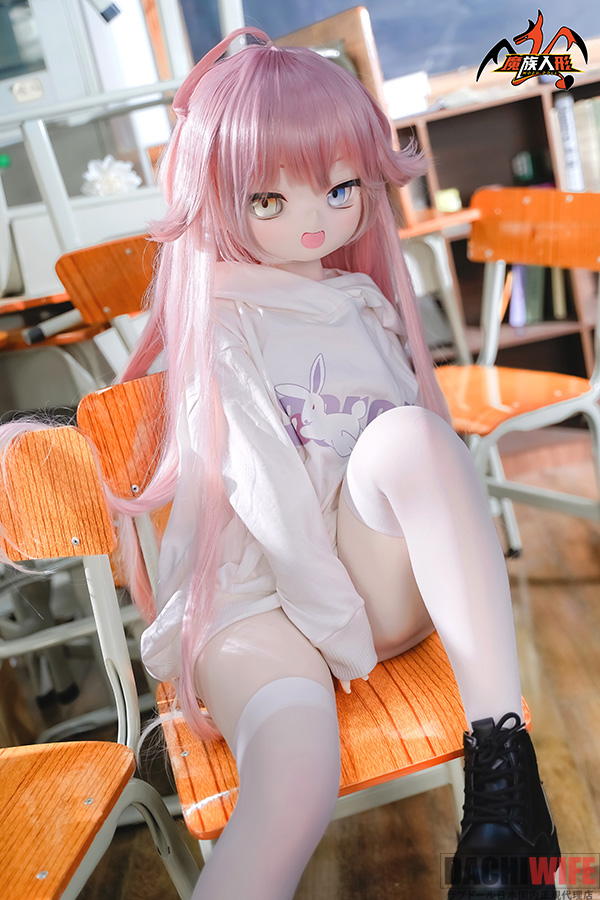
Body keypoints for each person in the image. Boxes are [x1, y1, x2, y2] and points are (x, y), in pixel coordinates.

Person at [0, 27, 559, 900]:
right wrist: (333, 636)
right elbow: (266, 498)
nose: (313, 220)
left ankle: (507, 789)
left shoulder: (365, 301)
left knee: (412, 439)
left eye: (340, 188)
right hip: (254, 596)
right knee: (293, 777)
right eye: (269, 198)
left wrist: (346, 626)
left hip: (361, 586)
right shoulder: (222, 317)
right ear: (221, 198)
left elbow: (404, 482)